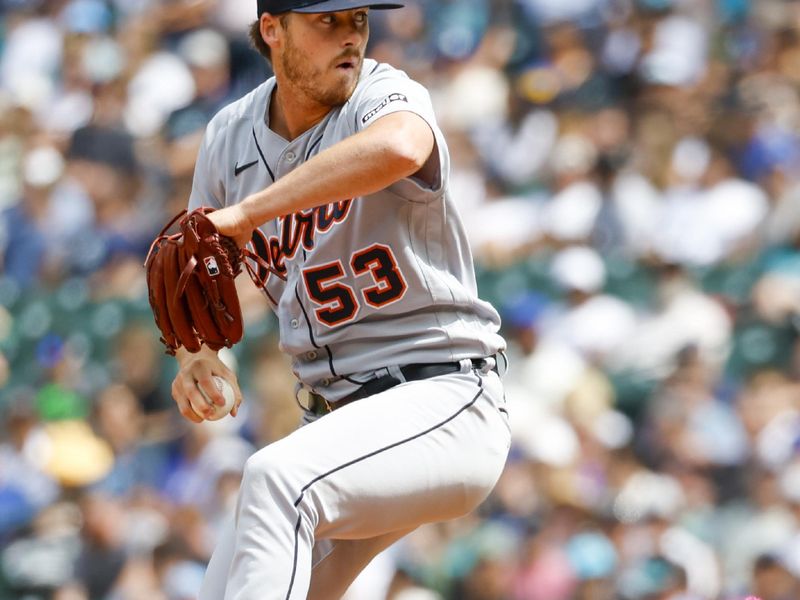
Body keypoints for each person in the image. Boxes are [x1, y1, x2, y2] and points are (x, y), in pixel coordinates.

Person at [169, 0, 511, 597]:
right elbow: (199, 267)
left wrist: (254, 210)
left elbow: (402, 147)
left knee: (274, 478)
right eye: (327, 21)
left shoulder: (383, 94)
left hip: (442, 397)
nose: (350, 36)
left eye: (358, 19)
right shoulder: (227, 135)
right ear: (272, 29)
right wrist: (196, 357)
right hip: (336, 425)